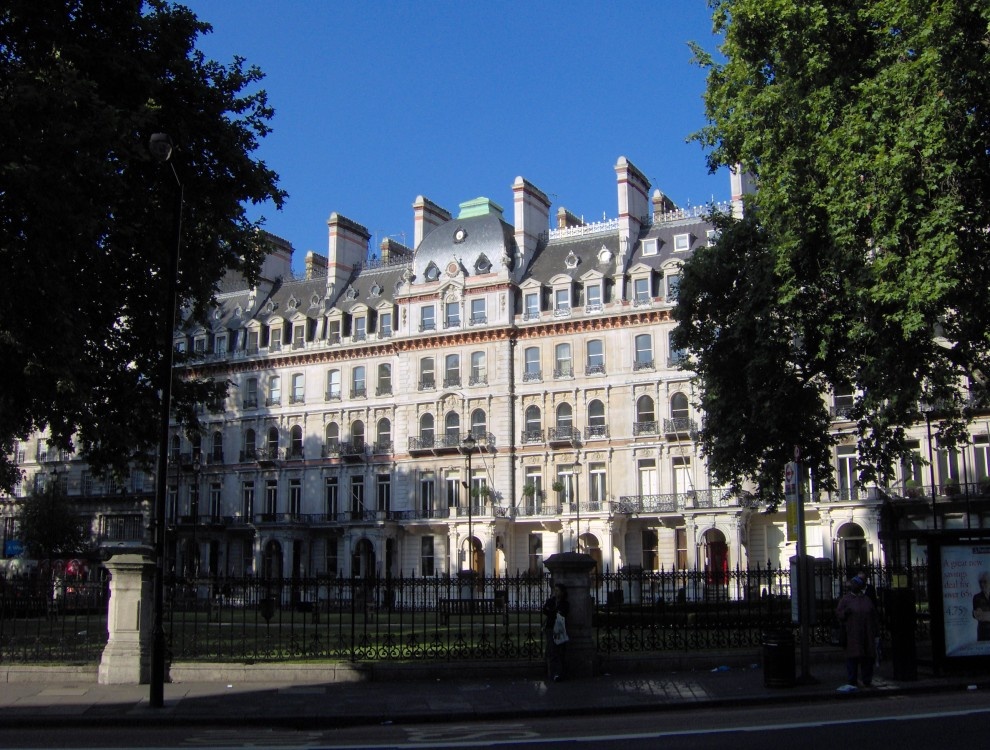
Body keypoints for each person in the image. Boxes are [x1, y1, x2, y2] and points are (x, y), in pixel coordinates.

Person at [836, 575, 880, 689]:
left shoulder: (866, 599)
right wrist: (845, 613)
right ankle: (852, 679)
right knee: (852, 658)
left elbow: (874, 615)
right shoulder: (846, 599)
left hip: (867, 634)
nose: (854, 586)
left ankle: (866, 679)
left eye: (856, 584)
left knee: (867, 658)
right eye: (853, 584)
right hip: (852, 633)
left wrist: (875, 631)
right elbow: (839, 614)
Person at [542, 582, 569, 682]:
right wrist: (554, 612)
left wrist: (552, 612)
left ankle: (559, 673)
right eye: (555, 590)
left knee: (560, 651)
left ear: (562, 592)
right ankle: (552, 673)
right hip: (550, 627)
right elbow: (545, 610)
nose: (555, 592)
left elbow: (563, 613)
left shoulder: (564, 603)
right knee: (551, 650)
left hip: (560, 629)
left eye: (557, 590)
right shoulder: (551, 601)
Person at [973, 570, 990, 641]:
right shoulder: (976, 597)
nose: (982, 584)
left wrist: (984, 614)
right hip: (983, 633)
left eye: (985, 582)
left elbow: (981, 615)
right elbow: (976, 615)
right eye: (980, 582)